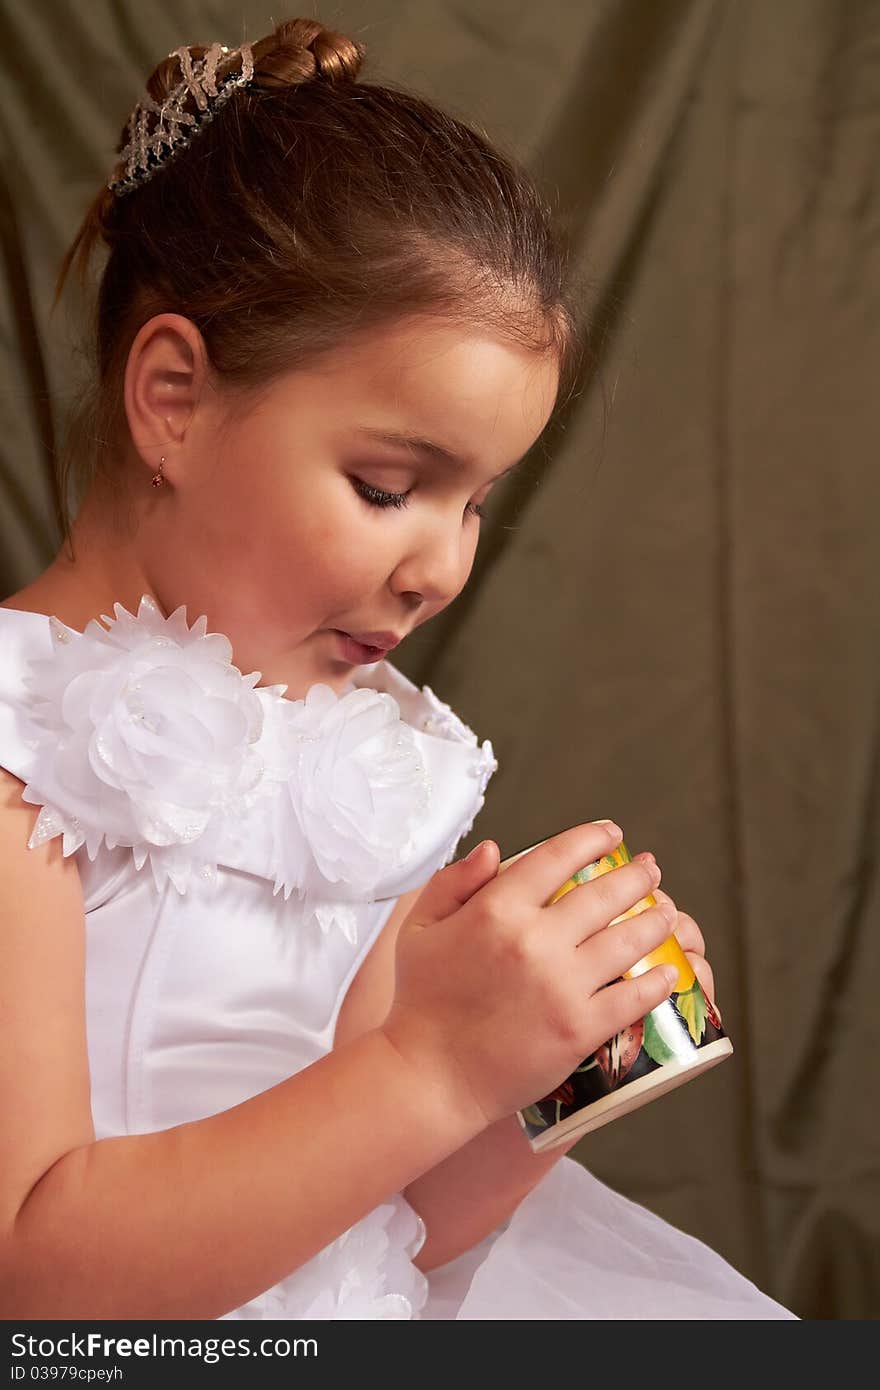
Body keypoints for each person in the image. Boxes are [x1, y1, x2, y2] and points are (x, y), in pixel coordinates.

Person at [0, 18, 795, 1320]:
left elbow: (392, 1233)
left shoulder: (369, 759)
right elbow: (30, 1275)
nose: (441, 565)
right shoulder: (15, 746)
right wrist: (431, 1061)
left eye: (477, 503)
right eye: (388, 486)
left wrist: (536, 1075)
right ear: (172, 398)